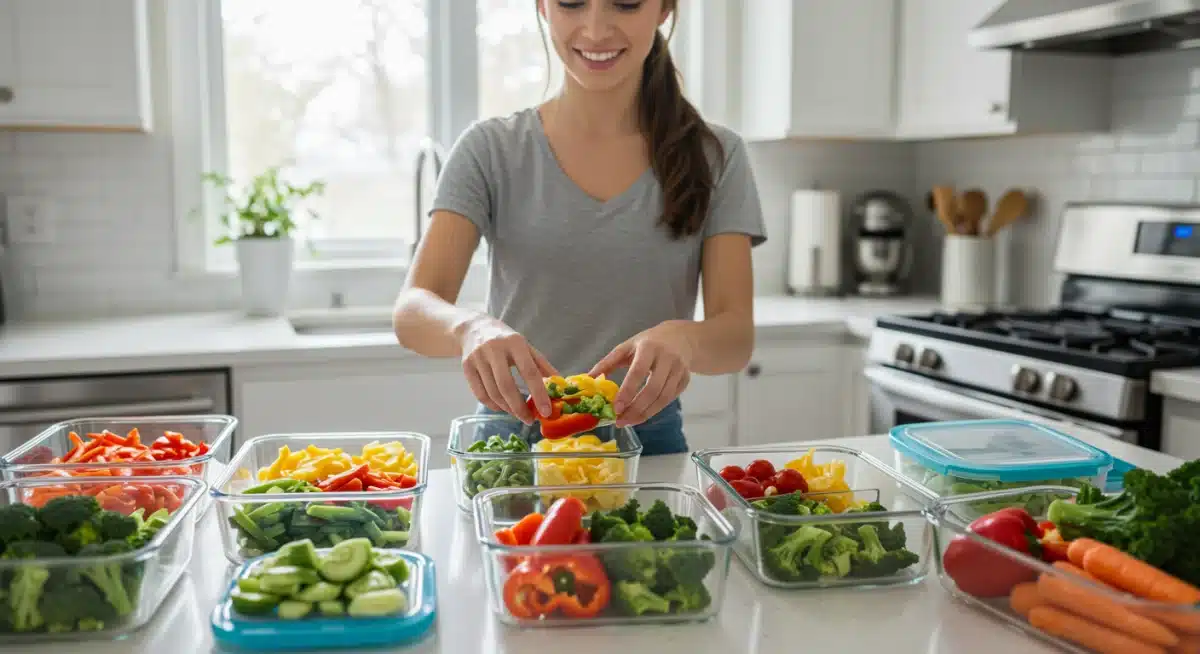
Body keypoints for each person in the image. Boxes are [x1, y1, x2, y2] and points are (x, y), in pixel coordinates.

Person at [393, 0, 766, 456]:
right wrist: (469, 329)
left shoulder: (718, 155)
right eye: (571, 2)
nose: (595, 29)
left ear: (665, 8)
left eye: (625, 3)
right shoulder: (490, 150)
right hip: (512, 446)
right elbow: (412, 311)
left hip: (644, 445)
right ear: (543, 7)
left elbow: (736, 338)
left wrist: (685, 339)